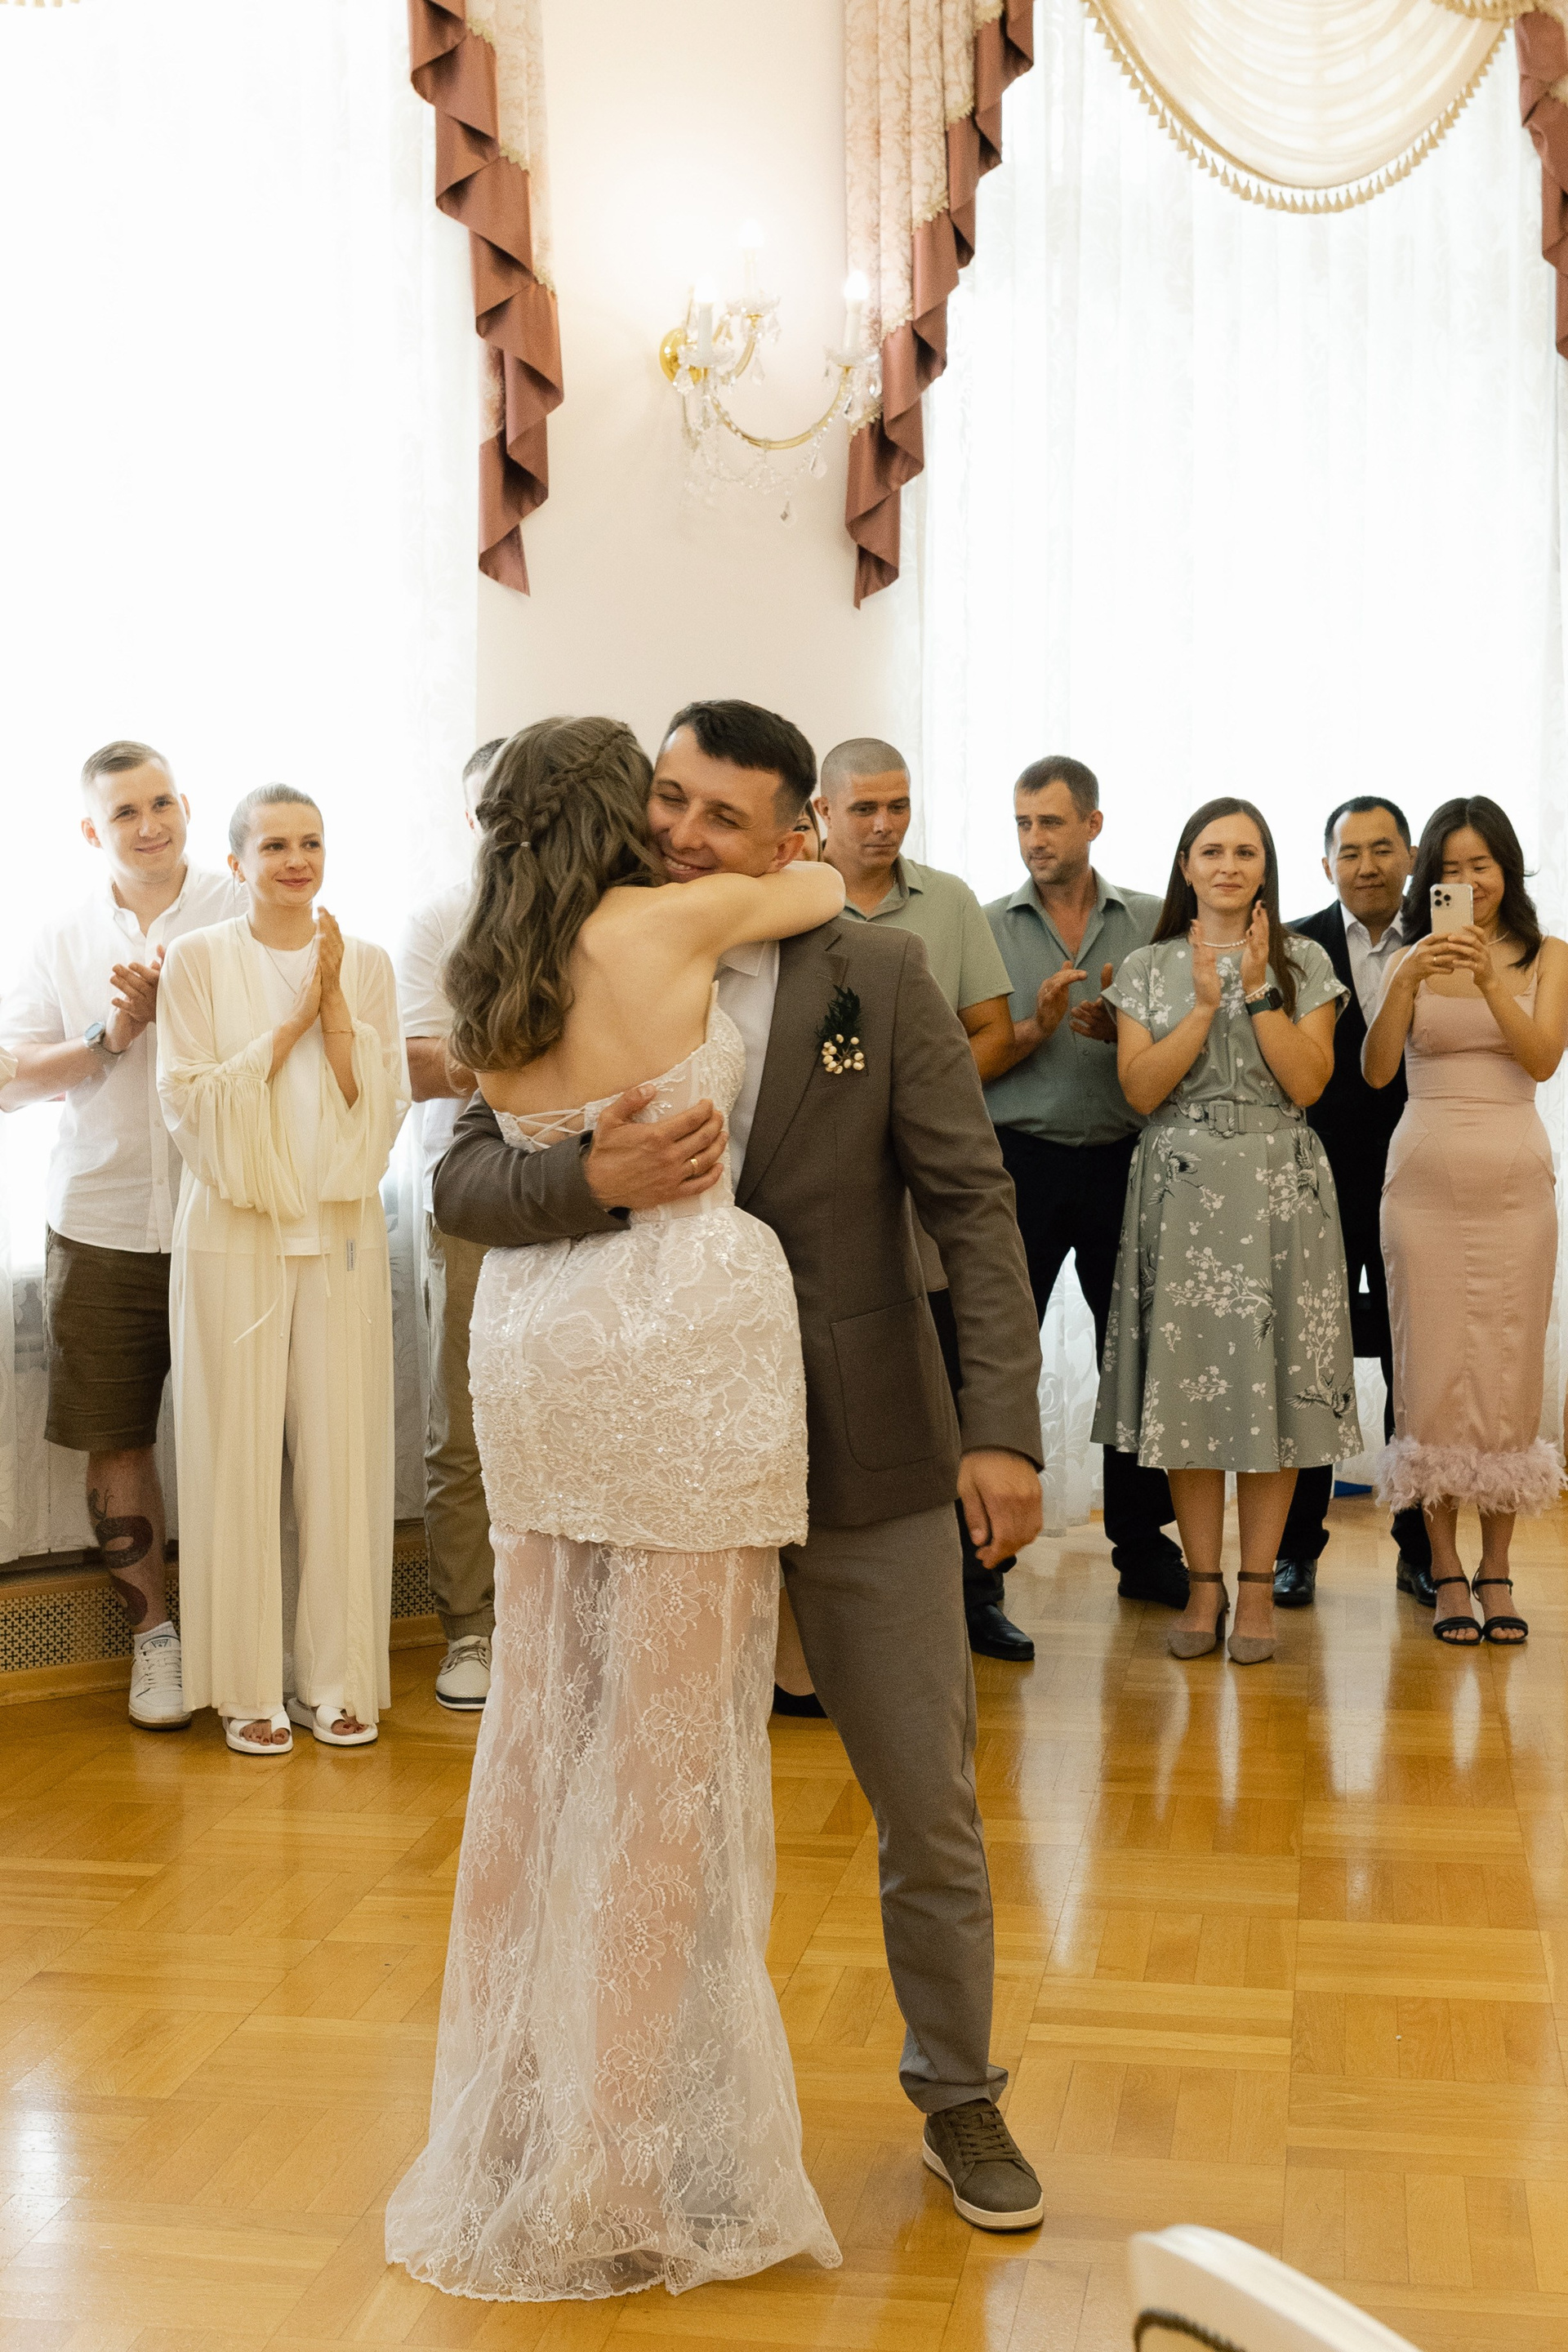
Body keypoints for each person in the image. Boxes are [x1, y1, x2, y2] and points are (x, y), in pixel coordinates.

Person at [423, 699, 1049, 2243]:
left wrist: (1001, 1428)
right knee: (635, 1787)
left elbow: (972, 1206)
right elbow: (465, 1175)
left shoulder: (876, 974)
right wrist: (590, 1176)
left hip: (862, 1438)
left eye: (720, 815)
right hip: (655, 1442)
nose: (682, 832)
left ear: (790, 838)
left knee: (925, 1794)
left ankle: (959, 2094)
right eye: (669, 797)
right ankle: (634, 2120)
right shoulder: (575, 945)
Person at [386, 715, 849, 2298]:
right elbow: (817, 886)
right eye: (656, 798)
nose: (676, 823)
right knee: (664, 1764)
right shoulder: (666, 924)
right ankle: (615, 2165)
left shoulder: (487, 964)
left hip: (533, 1342)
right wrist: (781, 851)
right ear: (617, 818)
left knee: (535, 1742)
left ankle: (509, 2124)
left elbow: (469, 1155)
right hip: (676, 1336)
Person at [156, 787, 408, 1754]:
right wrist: (297, 1017)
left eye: (310, 842)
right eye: (273, 845)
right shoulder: (197, 959)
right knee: (236, 1456)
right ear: (237, 862)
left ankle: (334, 1680)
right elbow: (191, 1099)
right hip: (234, 1229)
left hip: (337, 1231)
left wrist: (335, 1003)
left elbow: (375, 1103)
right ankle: (248, 1687)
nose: (296, 859)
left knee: (341, 1455)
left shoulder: (366, 961)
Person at [0, 740, 242, 1731]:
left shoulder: (242, 908)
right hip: (100, 1224)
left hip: (231, 1211)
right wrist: (112, 1035)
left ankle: (247, 1633)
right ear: (91, 830)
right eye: (126, 813)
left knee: (251, 1429)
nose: (150, 826)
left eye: (162, 804)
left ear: (186, 807)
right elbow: (12, 1077)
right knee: (116, 1436)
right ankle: (156, 1640)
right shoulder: (60, 935)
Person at [1092, 798, 1361, 1665]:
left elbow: (1310, 1082)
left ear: (1265, 868)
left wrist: (1255, 992)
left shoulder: (1304, 959)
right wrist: (1205, 1008)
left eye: (1246, 852)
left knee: (1278, 1391)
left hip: (1282, 1189)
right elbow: (1141, 1089)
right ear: (1186, 865)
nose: (1228, 865)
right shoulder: (1146, 967)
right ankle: (1202, 1584)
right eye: (1211, 850)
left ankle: (1257, 1588)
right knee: (1192, 1391)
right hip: (1183, 1192)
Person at [814, 736, 1030, 1663]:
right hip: (824, 1189)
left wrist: (909, 1094)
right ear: (822, 811)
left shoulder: (948, 902)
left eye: (898, 806)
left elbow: (993, 1030)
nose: (884, 825)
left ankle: (978, 1595)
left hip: (926, 1178)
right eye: (864, 808)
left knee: (947, 1384)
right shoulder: (786, 899)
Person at [982, 755, 1188, 1609]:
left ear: (1093, 824)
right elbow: (964, 1059)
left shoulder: (1151, 923)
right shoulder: (985, 927)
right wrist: (1035, 1027)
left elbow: (1186, 1048)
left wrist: (1124, 1034)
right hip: (1016, 1164)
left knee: (1132, 1357)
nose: (1034, 839)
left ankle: (1141, 1547)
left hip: (1124, 1161)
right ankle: (981, 1568)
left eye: (1051, 822)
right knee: (999, 1359)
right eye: (1023, 823)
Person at [1363, 796, 1568, 1646]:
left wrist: (1488, 978)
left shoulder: (1549, 954)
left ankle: (1499, 1568)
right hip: (1423, 1185)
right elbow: (1377, 1072)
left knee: (1509, 1367)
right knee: (1432, 1369)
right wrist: (1406, 978)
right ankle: (1446, 1567)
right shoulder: (1405, 957)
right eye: (1448, 869)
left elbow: (1543, 1059)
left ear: (1506, 869)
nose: (1466, 882)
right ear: (1428, 879)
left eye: (1480, 865)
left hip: (1516, 1186)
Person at [1274, 798, 1433, 1610]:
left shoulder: (1445, 943)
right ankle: (1294, 1550)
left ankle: (1423, 1551)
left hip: (1423, 1182)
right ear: (1326, 864)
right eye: (1350, 852)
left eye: (1382, 848)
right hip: (1318, 1182)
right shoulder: (1293, 947)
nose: (1366, 866)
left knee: (1418, 1365)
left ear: (1410, 856)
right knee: (1311, 1365)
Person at [396, 737, 506, 1711]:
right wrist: (535, 1049)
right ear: (471, 816)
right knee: (461, 1420)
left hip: (587, 1181)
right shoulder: (440, 919)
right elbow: (422, 1066)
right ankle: (469, 1626)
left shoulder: (599, 913)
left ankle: (556, 1620)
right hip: (465, 1186)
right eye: (492, 805)